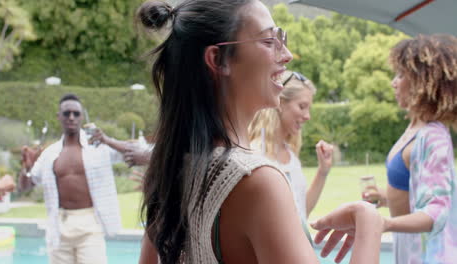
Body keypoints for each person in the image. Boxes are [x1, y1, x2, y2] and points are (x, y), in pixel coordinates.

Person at [137, 0, 385, 263]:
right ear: (218, 60)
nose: (287, 54)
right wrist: (369, 223)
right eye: (269, 41)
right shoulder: (255, 181)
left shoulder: (170, 171)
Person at [364, 34, 457, 263]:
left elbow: (437, 211)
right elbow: (416, 196)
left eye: (401, 75)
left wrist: (385, 223)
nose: (393, 82)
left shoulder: (433, 137)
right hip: (409, 251)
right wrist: (386, 198)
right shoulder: (414, 129)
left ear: (424, 81)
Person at [19, 93, 132, 264]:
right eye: (66, 113)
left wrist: (107, 140)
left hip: (90, 224)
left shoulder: (98, 146)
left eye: (76, 113)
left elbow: (135, 151)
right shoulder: (50, 154)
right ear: (59, 117)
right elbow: (25, 186)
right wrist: (26, 167)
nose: (71, 117)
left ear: (82, 116)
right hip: (59, 225)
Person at [249, 70, 334, 226]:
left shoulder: (290, 155)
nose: (308, 116)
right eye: (302, 106)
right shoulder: (255, 155)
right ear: (280, 103)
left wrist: (323, 172)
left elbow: (302, 213)